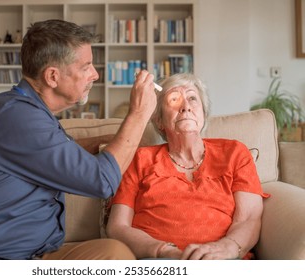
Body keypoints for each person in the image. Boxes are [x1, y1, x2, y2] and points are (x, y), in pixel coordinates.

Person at [0, 19, 157, 260]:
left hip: (28, 254)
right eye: (86, 66)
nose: (95, 74)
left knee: (113, 254)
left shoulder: (31, 112)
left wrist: (110, 140)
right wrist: (139, 113)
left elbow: (60, 151)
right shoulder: (16, 115)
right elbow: (101, 180)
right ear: (52, 76)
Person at [106, 73, 269, 260]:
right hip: (159, 262)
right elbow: (118, 227)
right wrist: (164, 251)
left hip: (222, 262)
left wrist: (228, 248)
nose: (185, 107)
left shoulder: (234, 152)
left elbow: (249, 218)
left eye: (192, 98)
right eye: (174, 100)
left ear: (203, 114)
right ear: (159, 120)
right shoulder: (140, 159)